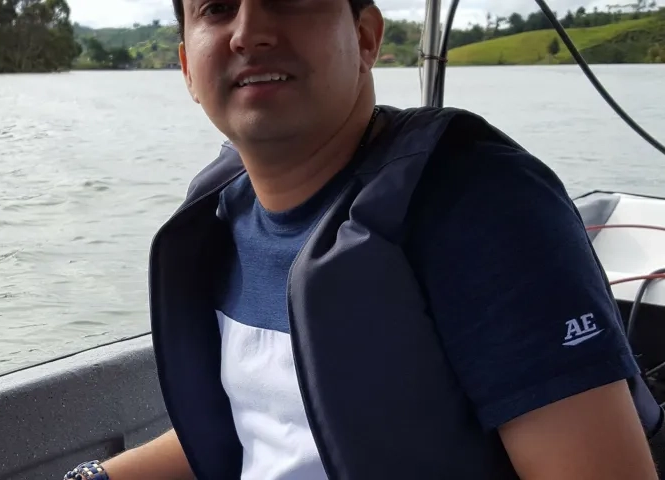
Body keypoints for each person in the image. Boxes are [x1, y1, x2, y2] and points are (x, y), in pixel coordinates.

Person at [64, 0, 665, 478]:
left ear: (367, 37)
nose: (249, 32)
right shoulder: (226, 215)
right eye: (217, 8)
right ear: (188, 69)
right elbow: (256, 425)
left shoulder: (481, 208)